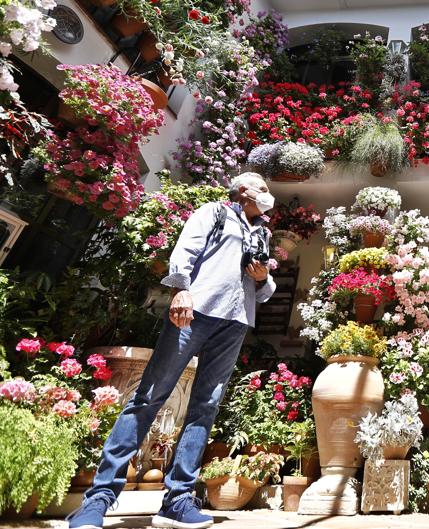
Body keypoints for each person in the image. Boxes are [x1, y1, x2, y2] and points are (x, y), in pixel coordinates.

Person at [68, 173, 277, 529]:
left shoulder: (263, 233)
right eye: (263, 188)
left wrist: (262, 279)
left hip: (236, 321)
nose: (269, 195)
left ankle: (178, 500)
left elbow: (264, 288)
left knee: (205, 407)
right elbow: (186, 249)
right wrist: (180, 290)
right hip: (195, 313)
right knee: (148, 397)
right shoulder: (214, 212)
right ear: (243, 190)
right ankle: (98, 500)